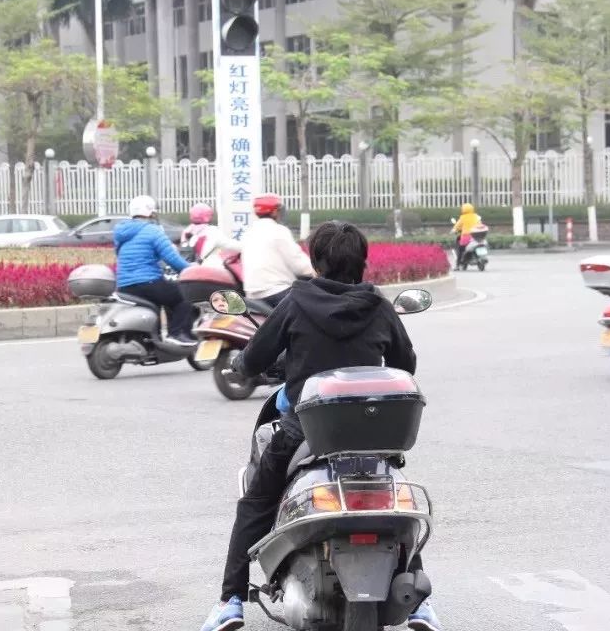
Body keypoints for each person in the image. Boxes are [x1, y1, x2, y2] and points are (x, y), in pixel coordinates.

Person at [199, 221, 441, 631]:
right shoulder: (378, 306)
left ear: (315, 260)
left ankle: (232, 600)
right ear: (362, 263)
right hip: (371, 434)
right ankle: (419, 606)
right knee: (393, 500)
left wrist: (242, 364)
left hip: (305, 430)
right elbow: (406, 364)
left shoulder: (297, 300)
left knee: (256, 503)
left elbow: (255, 359)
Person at [113, 195, 196, 346]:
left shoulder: (121, 233)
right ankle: (176, 333)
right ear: (150, 212)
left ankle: (151, 340)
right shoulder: (153, 231)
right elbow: (172, 258)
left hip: (124, 286)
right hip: (148, 282)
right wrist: (191, 270)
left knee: (156, 304)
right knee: (184, 297)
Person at [240, 194, 314, 308]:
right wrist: (317, 271)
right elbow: (297, 262)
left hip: (252, 294)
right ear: (275, 212)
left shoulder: (248, 233)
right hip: (277, 292)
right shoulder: (279, 231)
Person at [181, 203, 241, 268]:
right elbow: (235, 247)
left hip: (190, 271)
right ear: (208, 216)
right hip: (212, 271)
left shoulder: (186, 231)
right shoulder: (213, 231)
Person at [451, 202, 482, 269]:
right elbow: (480, 224)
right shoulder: (476, 216)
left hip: (466, 237)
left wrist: (453, 230)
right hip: (476, 236)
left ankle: (457, 265)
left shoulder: (463, 218)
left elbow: (457, 226)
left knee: (460, 250)